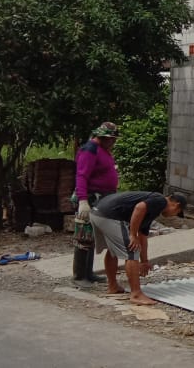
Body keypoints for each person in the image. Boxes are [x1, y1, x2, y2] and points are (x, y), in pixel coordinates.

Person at [89, 190, 186, 305]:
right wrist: (132, 234)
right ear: (176, 205)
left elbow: (143, 236)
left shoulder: (152, 209)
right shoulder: (160, 201)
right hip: (110, 215)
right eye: (177, 212)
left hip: (97, 212)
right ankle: (136, 294)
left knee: (113, 250)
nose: (172, 216)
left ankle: (113, 286)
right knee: (132, 250)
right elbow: (140, 208)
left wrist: (144, 261)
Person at [72, 122, 121, 286]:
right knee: (84, 237)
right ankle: (79, 276)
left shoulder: (103, 150)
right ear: (102, 138)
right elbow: (81, 175)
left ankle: (88, 272)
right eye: (111, 139)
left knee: (91, 237)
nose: (113, 143)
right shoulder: (90, 149)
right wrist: (82, 200)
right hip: (91, 197)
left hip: (103, 197)